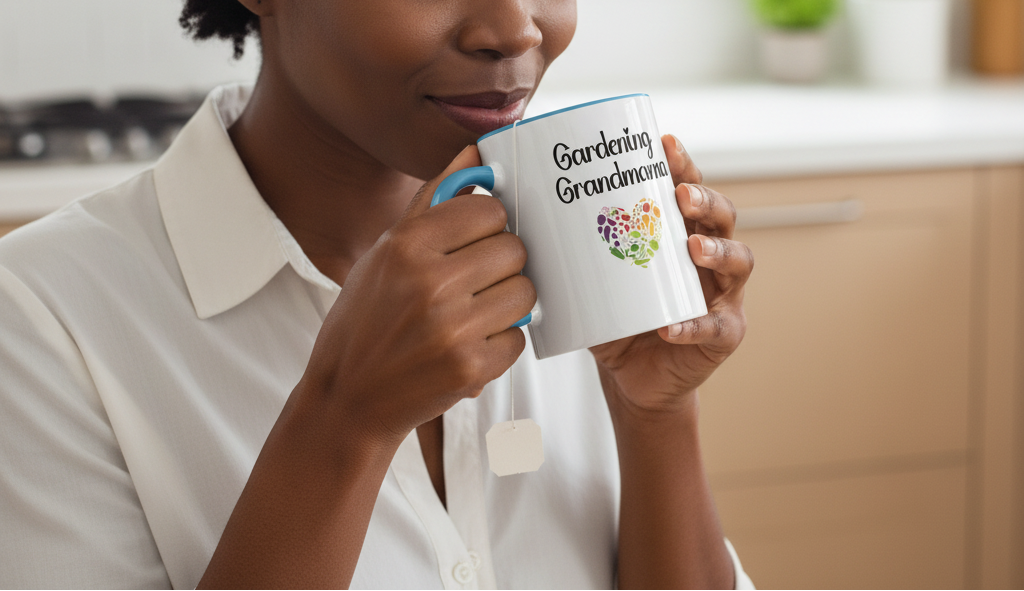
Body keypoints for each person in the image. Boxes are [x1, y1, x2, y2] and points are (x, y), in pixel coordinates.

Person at [0, 1, 756, 588]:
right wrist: (343, 419)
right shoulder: (40, 317)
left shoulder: (580, 242)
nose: (513, 28)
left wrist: (654, 415)